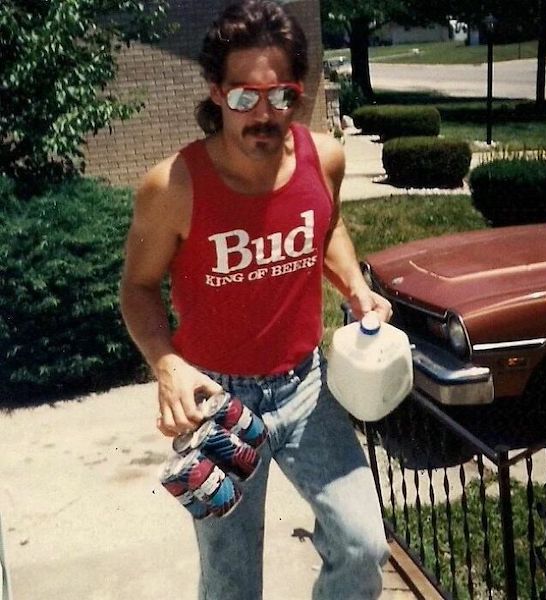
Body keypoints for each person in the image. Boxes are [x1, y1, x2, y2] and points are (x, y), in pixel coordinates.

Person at [119, 1, 392, 598]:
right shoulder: (173, 185)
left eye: (280, 96)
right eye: (244, 96)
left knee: (363, 545)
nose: (263, 114)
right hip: (218, 404)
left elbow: (326, 226)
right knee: (231, 580)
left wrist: (354, 285)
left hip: (306, 387)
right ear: (217, 92)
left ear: (299, 92)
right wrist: (167, 365)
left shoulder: (325, 158)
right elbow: (137, 287)